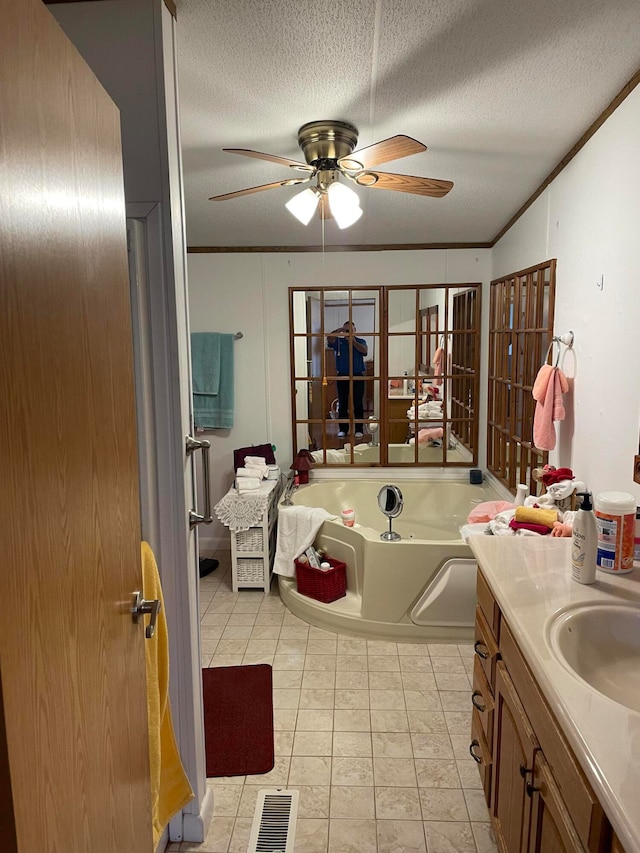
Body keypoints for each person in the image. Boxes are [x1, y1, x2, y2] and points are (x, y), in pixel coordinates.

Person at [327, 321, 368, 438]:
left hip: (357, 376)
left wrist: (353, 342)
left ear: (355, 331)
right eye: (347, 330)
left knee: (358, 403)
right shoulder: (339, 342)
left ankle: (359, 429)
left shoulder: (360, 341)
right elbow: (329, 338)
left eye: (351, 330)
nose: (349, 332)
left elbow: (364, 351)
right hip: (343, 376)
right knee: (343, 403)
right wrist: (339, 330)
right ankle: (343, 429)